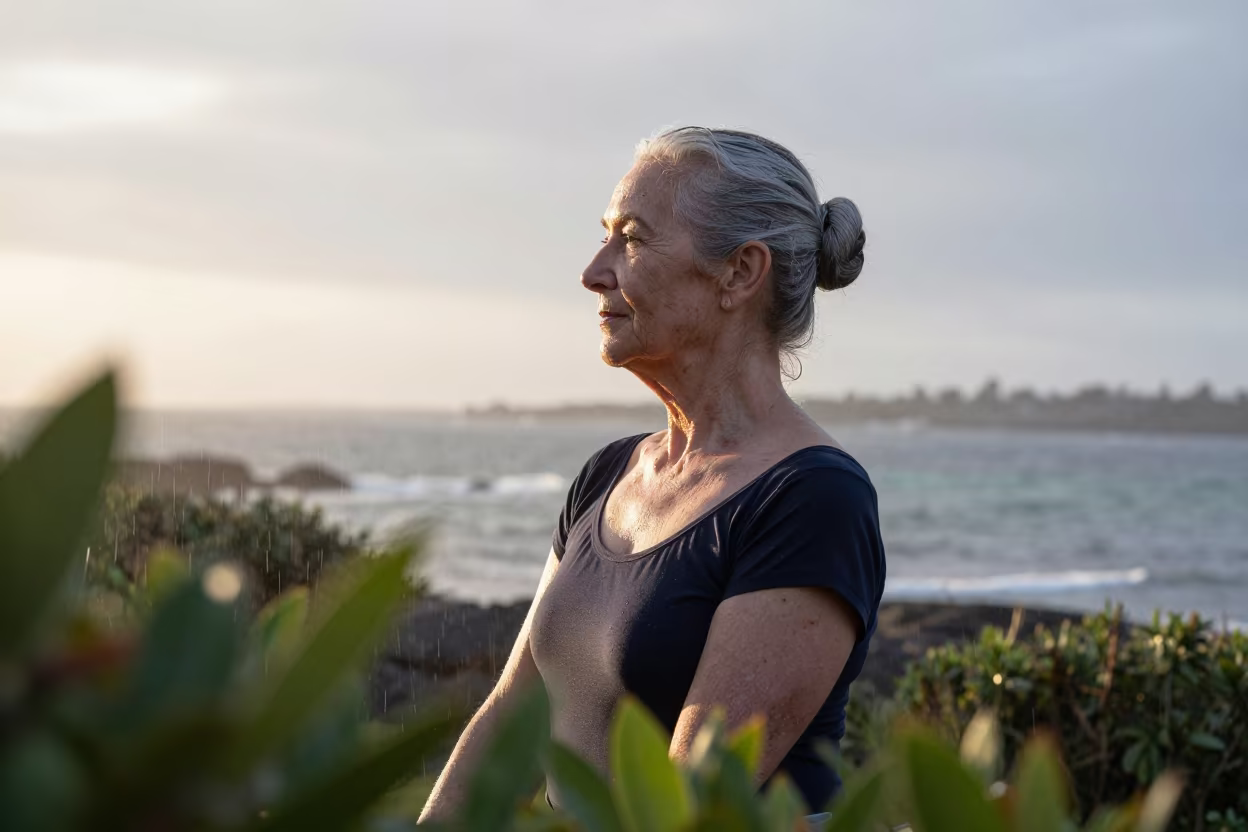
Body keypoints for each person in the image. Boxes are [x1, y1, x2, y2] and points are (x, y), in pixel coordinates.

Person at [419, 127, 887, 822]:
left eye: (632, 239)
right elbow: (508, 714)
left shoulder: (812, 501)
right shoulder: (609, 473)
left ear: (738, 273)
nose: (594, 271)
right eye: (605, 235)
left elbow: (683, 807)